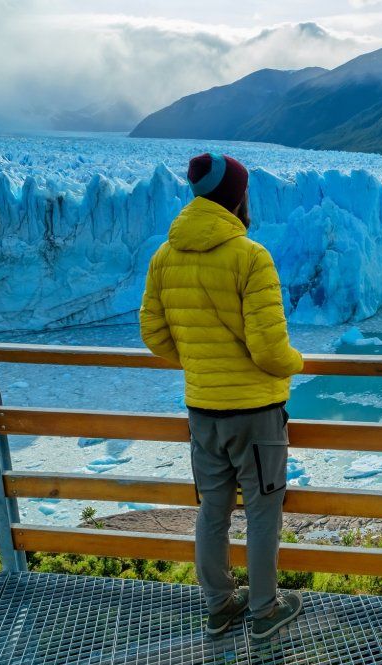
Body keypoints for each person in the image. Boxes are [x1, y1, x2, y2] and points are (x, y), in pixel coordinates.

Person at [139, 152, 305, 640]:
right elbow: (271, 350)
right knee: (261, 509)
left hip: (202, 410)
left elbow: (153, 333)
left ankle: (218, 606)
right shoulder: (250, 257)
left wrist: (199, 362)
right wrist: (298, 363)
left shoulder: (164, 257)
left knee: (212, 509)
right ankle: (263, 610)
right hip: (255, 413)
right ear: (236, 195)